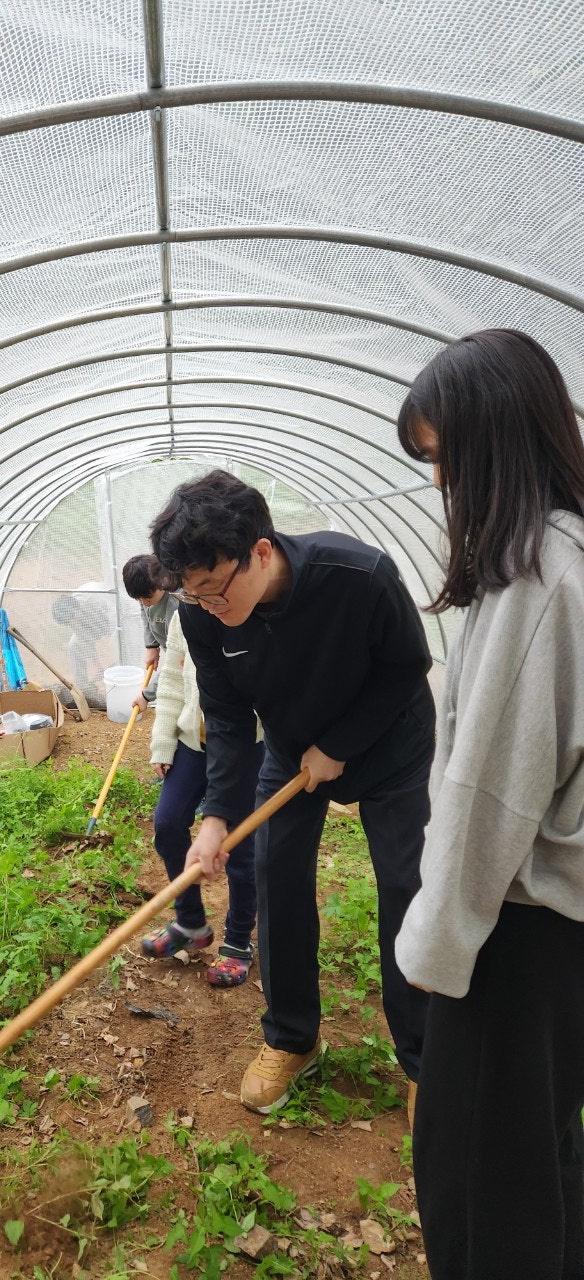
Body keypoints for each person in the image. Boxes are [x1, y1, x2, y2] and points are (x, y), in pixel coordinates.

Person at [150, 469, 435, 1118]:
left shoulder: (358, 575)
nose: (209, 606)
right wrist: (217, 815)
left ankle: (423, 1058)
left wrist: (341, 745)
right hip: (289, 746)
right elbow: (223, 715)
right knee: (276, 877)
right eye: (193, 597)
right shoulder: (201, 613)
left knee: (406, 885)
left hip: (392, 745)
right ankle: (292, 1038)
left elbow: (406, 665)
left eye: (215, 590)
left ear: (259, 550)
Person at [392, 329, 584, 1280]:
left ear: (496, 443)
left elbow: (488, 794)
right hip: (564, 939)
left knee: (477, 1183)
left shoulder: (535, 578)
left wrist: (434, 945)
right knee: (540, 1159)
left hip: (517, 933)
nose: (440, 483)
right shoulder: (574, 552)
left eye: (443, 457)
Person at [143, 611, 264, 985]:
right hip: (192, 743)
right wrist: (163, 741)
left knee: (240, 849)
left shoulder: (254, 615)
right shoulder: (187, 615)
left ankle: (239, 942)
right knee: (168, 823)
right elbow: (173, 683)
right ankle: (191, 922)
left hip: (247, 745)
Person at [121, 554, 179, 711]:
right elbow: (145, 609)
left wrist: (147, 695)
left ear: (164, 582)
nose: (143, 603)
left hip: (190, 661)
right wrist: (151, 645)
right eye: (138, 599)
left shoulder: (177, 606)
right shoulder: (147, 590)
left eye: (147, 597)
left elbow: (177, 661)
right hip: (178, 654)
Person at [51, 582, 113, 710]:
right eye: (69, 623)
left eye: (72, 618)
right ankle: (84, 691)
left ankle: (123, 689)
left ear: (76, 608)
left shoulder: (93, 600)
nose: (72, 623)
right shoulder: (72, 616)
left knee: (121, 647)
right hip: (94, 623)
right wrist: (98, 667)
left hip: (121, 616)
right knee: (74, 646)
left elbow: (117, 627)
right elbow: (84, 640)